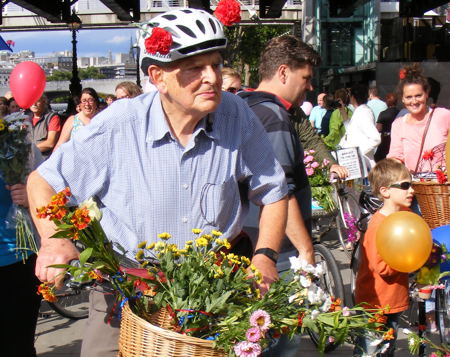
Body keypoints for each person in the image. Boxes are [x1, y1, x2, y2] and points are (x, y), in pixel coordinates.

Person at [27, 8, 288, 357]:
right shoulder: (119, 125)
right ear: (158, 76)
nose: (212, 77)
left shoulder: (235, 114)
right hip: (125, 298)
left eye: (216, 63)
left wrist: (265, 256)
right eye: (195, 67)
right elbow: (41, 181)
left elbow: (273, 191)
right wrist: (54, 240)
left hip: (210, 296)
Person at [353, 158, 412, 356]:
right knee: (370, 351)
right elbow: (383, 267)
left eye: (411, 184)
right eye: (405, 186)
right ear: (385, 191)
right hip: (376, 303)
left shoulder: (406, 216)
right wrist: (409, 258)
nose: (411, 190)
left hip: (394, 299)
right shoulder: (378, 227)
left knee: (387, 349)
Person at [0, 138, 43, 357]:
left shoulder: (16, 143)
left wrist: (31, 196)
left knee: (18, 346)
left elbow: (50, 188)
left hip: (17, 259)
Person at [387, 64, 450, 173]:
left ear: (426, 94)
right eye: (408, 97)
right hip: (414, 186)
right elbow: (396, 157)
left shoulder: (443, 116)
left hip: (443, 186)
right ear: (402, 98)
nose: (414, 101)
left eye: (418, 95)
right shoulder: (398, 125)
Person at [339, 83, 381, 170]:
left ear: (353, 97)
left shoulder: (363, 112)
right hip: (358, 164)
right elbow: (351, 132)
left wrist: (357, 153)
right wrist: (342, 110)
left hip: (363, 165)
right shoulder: (360, 111)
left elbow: (376, 138)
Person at [29, 94, 62, 159]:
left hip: (44, 161)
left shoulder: (53, 118)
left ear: (44, 102)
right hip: (28, 161)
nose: (34, 104)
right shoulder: (26, 119)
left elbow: (50, 143)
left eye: (37, 101)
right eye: (32, 101)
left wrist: (29, 150)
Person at [374, 93, 399, 162]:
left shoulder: (383, 113)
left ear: (387, 102)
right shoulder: (400, 113)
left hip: (385, 139)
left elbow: (378, 128)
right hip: (397, 140)